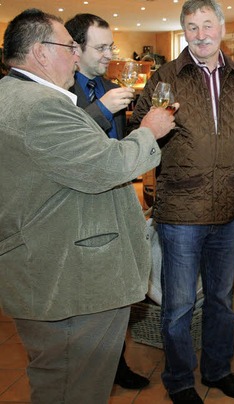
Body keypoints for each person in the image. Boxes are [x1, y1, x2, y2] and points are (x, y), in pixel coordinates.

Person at [0, 8, 176, 404]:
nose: (76, 57)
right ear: (41, 52)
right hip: (68, 284)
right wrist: (149, 131)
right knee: (72, 389)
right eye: (69, 47)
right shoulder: (40, 106)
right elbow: (105, 166)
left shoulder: (13, 96)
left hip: (44, 274)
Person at [128, 1, 234, 403]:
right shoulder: (166, 78)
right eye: (191, 27)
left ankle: (218, 370)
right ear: (183, 31)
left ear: (221, 26)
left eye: (206, 24)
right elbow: (140, 132)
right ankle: (180, 381)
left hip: (229, 211)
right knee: (179, 305)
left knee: (220, 301)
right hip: (181, 212)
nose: (200, 34)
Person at [64, 13, 150, 390]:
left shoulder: (111, 86)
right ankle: (88, 373)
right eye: (100, 47)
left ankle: (116, 365)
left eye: (110, 46)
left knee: (115, 292)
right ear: (75, 48)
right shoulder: (63, 93)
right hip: (80, 212)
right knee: (86, 300)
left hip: (116, 201)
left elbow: (118, 147)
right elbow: (68, 142)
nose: (108, 54)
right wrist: (102, 110)